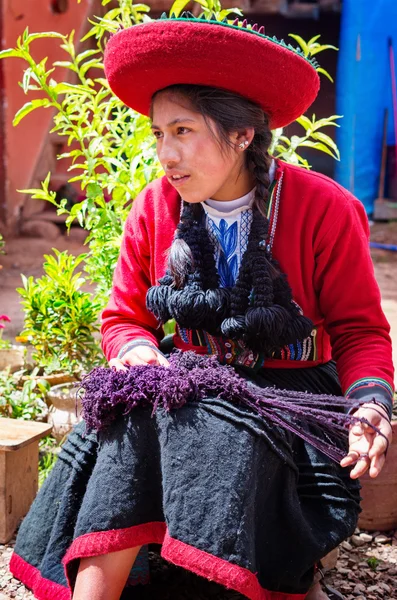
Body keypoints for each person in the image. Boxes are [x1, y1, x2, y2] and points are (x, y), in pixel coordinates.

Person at [9, 13, 394, 600]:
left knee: (217, 428)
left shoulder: (324, 208)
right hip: (186, 378)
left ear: (242, 134)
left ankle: (277, 581)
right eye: (158, 134)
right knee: (133, 414)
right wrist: (137, 353)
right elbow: (123, 318)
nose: (165, 153)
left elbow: (360, 329)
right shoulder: (155, 208)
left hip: (288, 392)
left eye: (182, 131)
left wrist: (370, 406)